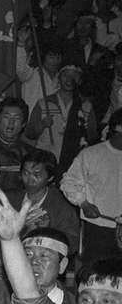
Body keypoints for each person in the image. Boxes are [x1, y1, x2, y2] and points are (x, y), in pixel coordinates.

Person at [60, 108, 122, 265]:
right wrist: (84, 203)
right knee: (95, 272)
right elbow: (68, 182)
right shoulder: (91, 154)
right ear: (117, 129)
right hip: (99, 227)